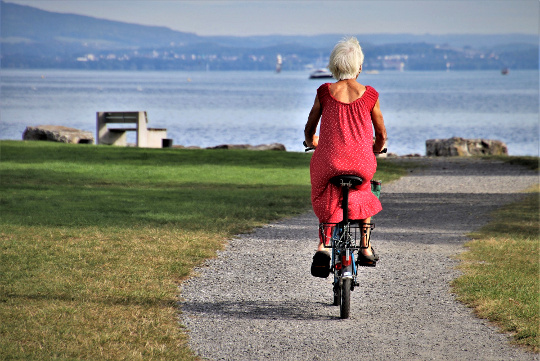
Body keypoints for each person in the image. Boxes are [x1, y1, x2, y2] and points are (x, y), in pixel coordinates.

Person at [304, 37, 387, 277]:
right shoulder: (370, 94)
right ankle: (366, 247)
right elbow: (380, 133)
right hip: (361, 163)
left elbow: (310, 129)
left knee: (327, 190)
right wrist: (377, 148)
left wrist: (312, 143)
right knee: (363, 191)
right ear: (359, 66)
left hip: (329, 162)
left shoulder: (324, 92)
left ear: (334, 66)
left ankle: (324, 247)